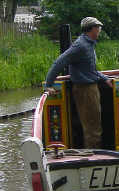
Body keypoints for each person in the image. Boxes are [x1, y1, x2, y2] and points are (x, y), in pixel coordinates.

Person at [45, 17, 113, 148]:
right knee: (92, 127)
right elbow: (59, 62)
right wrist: (48, 84)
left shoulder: (88, 44)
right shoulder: (80, 45)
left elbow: (90, 70)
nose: (99, 30)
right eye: (98, 27)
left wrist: (104, 78)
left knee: (94, 124)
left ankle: (93, 153)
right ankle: (92, 156)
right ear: (92, 29)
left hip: (90, 88)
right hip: (85, 90)